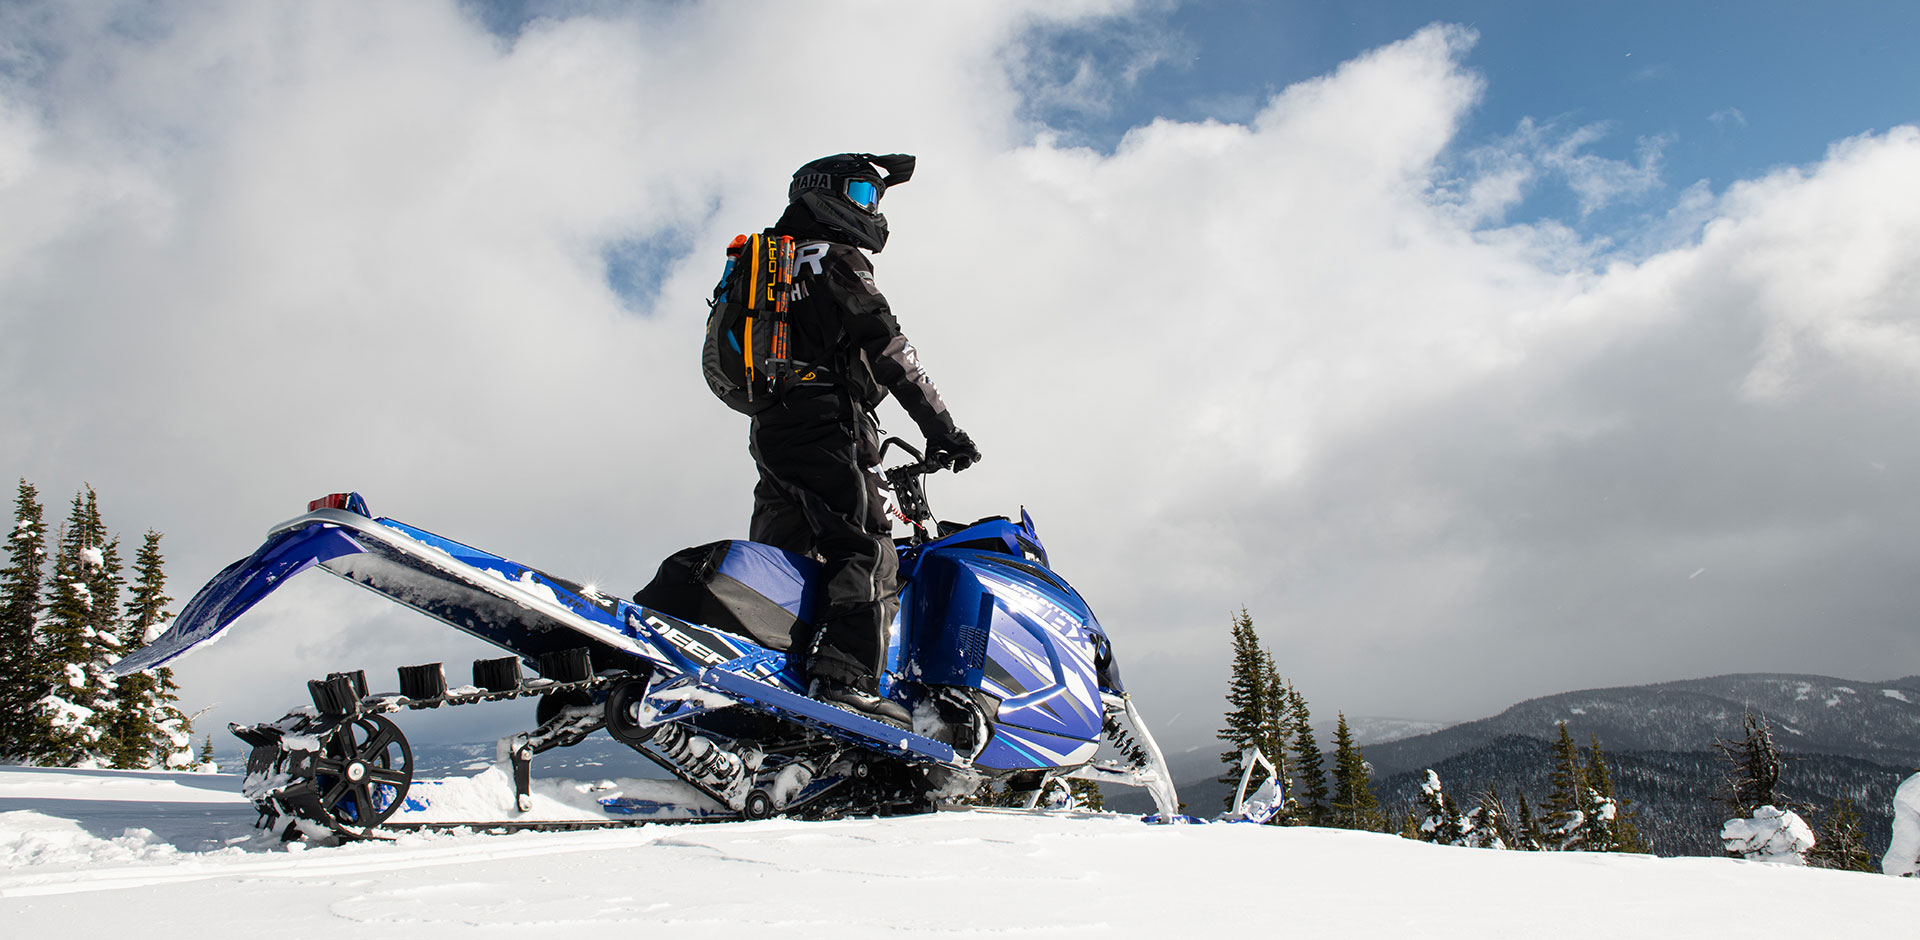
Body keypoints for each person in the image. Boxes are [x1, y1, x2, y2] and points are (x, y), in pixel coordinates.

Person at [747, 152, 980, 728]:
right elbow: (889, 347)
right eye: (862, 193)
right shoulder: (835, 257)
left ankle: (767, 674)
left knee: (786, 554)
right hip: (833, 421)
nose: (870, 209)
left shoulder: (772, 262)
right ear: (823, 193)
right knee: (868, 546)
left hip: (775, 427)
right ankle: (845, 681)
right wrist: (943, 430)